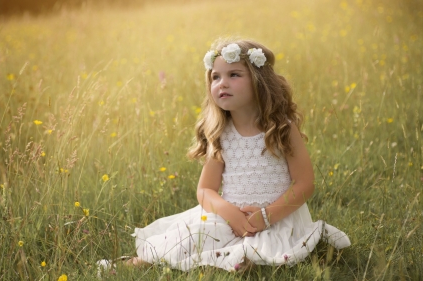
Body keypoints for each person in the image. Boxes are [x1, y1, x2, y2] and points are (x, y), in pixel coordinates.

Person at [97, 37, 350, 274]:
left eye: (234, 75)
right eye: (215, 77)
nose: (222, 83)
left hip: (277, 217)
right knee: (190, 239)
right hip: (229, 217)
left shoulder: (281, 127)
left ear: (259, 81)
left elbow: (305, 184)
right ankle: (134, 264)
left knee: (257, 255)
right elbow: (205, 190)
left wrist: (265, 216)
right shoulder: (220, 134)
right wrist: (228, 213)